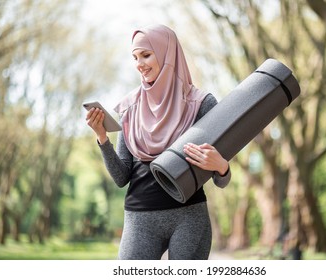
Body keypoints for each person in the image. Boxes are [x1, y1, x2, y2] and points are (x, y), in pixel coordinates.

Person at [86, 24, 231, 260]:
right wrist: (102, 138)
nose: (139, 64)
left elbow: (221, 180)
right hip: (139, 220)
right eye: (134, 57)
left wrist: (221, 165)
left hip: (189, 217)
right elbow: (121, 177)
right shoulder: (130, 108)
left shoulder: (201, 103)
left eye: (146, 54)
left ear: (167, 53)